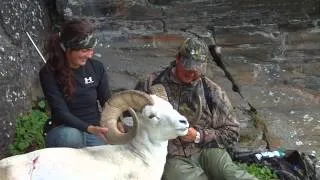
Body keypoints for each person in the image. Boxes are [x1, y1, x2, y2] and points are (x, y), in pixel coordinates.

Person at [136, 38, 257, 180]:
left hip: (207, 149)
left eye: (197, 69)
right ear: (177, 59)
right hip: (171, 154)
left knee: (233, 175)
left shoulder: (211, 90)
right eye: (188, 67)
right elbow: (130, 115)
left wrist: (199, 136)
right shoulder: (151, 83)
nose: (191, 73)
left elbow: (232, 133)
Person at [39, 19, 111, 148]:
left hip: (95, 131)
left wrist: (117, 122)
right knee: (70, 137)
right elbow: (61, 112)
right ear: (68, 48)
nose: (89, 55)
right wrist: (90, 128)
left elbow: (107, 101)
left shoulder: (97, 67)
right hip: (64, 130)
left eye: (91, 50)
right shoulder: (49, 72)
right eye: (84, 50)